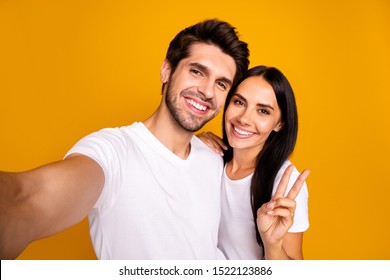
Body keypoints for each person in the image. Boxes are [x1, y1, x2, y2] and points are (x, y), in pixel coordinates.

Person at [0, 19, 250, 260]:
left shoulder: (215, 159)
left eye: (221, 84)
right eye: (197, 71)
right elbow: (27, 199)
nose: (207, 91)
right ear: (167, 70)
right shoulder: (112, 151)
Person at [198, 65, 310, 260]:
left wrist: (272, 243)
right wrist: (193, 145)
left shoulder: (284, 182)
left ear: (279, 123)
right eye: (239, 102)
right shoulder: (211, 160)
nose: (244, 118)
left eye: (263, 111)